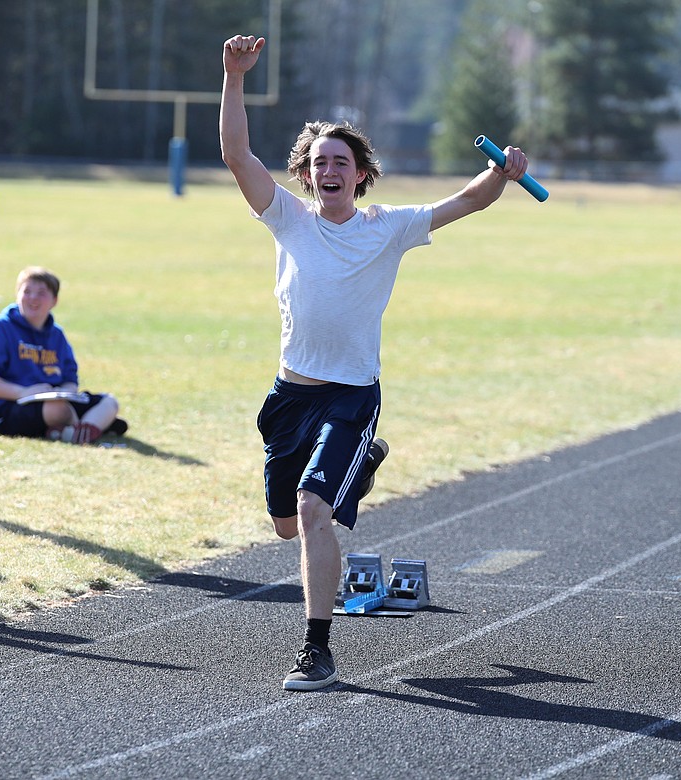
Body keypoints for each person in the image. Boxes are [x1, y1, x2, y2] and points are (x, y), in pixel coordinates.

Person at [220, 34, 531, 691]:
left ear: (361, 173)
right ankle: (359, 469)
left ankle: (317, 649)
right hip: (289, 398)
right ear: (306, 176)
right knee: (284, 527)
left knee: (311, 509)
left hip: (350, 398)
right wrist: (233, 77)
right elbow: (235, 154)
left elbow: (468, 201)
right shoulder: (287, 218)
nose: (330, 170)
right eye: (319, 162)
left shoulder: (386, 226)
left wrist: (501, 173)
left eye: (342, 161)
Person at [0, 266, 127, 444]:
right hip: (5, 407)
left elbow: (69, 377)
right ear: (17, 295)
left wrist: (66, 391)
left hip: (51, 401)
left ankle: (73, 430)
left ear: (54, 300)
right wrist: (24, 392)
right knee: (58, 410)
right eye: (27, 291)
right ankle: (90, 427)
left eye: (41, 293)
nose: (33, 298)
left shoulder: (56, 334)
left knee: (109, 402)